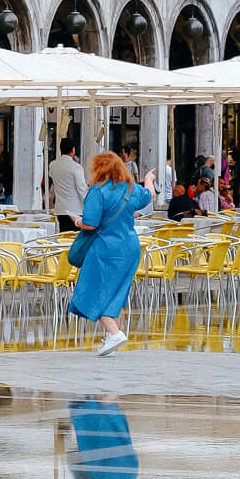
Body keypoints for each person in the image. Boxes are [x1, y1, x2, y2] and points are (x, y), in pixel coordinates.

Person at [72, 151, 155, 357]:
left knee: (93, 290)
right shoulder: (131, 188)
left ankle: (115, 332)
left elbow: (90, 224)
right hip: (130, 247)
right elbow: (150, 195)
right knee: (117, 292)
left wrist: (76, 221)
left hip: (106, 248)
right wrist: (149, 179)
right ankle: (111, 340)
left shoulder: (97, 191)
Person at [48, 135, 89, 233]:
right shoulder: (76, 167)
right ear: (73, 150)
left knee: (63, 238)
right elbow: (82, 191)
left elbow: (51, 175)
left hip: (60, 210)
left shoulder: (53, 165)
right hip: (76, 212)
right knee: (75, 241)